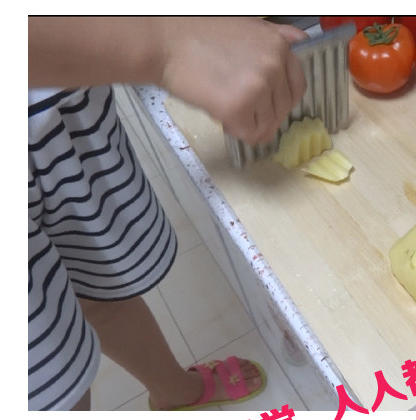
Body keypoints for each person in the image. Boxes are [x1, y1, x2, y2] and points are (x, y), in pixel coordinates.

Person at [28, 16, 308, 411]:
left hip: (59, 104)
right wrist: (167, 44)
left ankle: (173, 389)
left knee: (100, 282)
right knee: (53, 390)